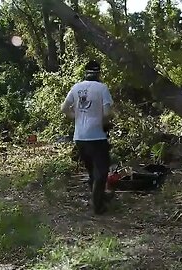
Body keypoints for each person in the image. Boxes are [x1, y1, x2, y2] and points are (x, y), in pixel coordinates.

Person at [60, 60, 114, 214]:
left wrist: (76, 117)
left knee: (92, 171)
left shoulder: (76, 87)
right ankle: (98, 206)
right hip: (96, 136)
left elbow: (64, 108)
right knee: (101, 172)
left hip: (80, 137)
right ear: (99, 73)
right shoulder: (102, 88)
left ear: (85, 73)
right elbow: (107, 113)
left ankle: (100, 196)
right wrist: (104, 124)